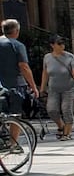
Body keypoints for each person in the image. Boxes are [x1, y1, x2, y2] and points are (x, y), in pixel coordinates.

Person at [1, 19, 40, 150]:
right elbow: (24, 67)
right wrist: (33, 86)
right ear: (16, 31)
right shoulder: (17, 45)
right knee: (15, 115)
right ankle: (13, 144)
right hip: (15, 85)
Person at [40, 35, 74, 141]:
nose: (62, 46)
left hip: (68, 88)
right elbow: (45, 73)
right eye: (59, 44)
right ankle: (61, 126)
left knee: (67, 110)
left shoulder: (70, 57)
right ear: (52, 45)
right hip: (53, 88)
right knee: (52, 110)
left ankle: (67, 133)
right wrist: (42, 88)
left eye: (63, 43)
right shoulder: (47, 57)